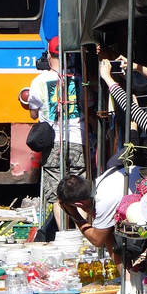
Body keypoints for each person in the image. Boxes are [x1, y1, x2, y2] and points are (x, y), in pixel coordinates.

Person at [28, 36, 86, 228]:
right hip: (78, 139)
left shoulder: (38, 81)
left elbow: (33, 113)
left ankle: (62, 234)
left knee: (56, 193)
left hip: (53, 143)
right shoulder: (80, 79)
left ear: (49, 55)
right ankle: (83, 233)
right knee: (80, 189)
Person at [57, 168, 128, 273]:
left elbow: (97, 240)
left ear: (78, 204)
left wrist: (74, 214)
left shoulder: (105, 199)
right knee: (107, 232)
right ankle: (127, 280)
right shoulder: (102, 181)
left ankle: (128, 281)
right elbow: (105, 229)